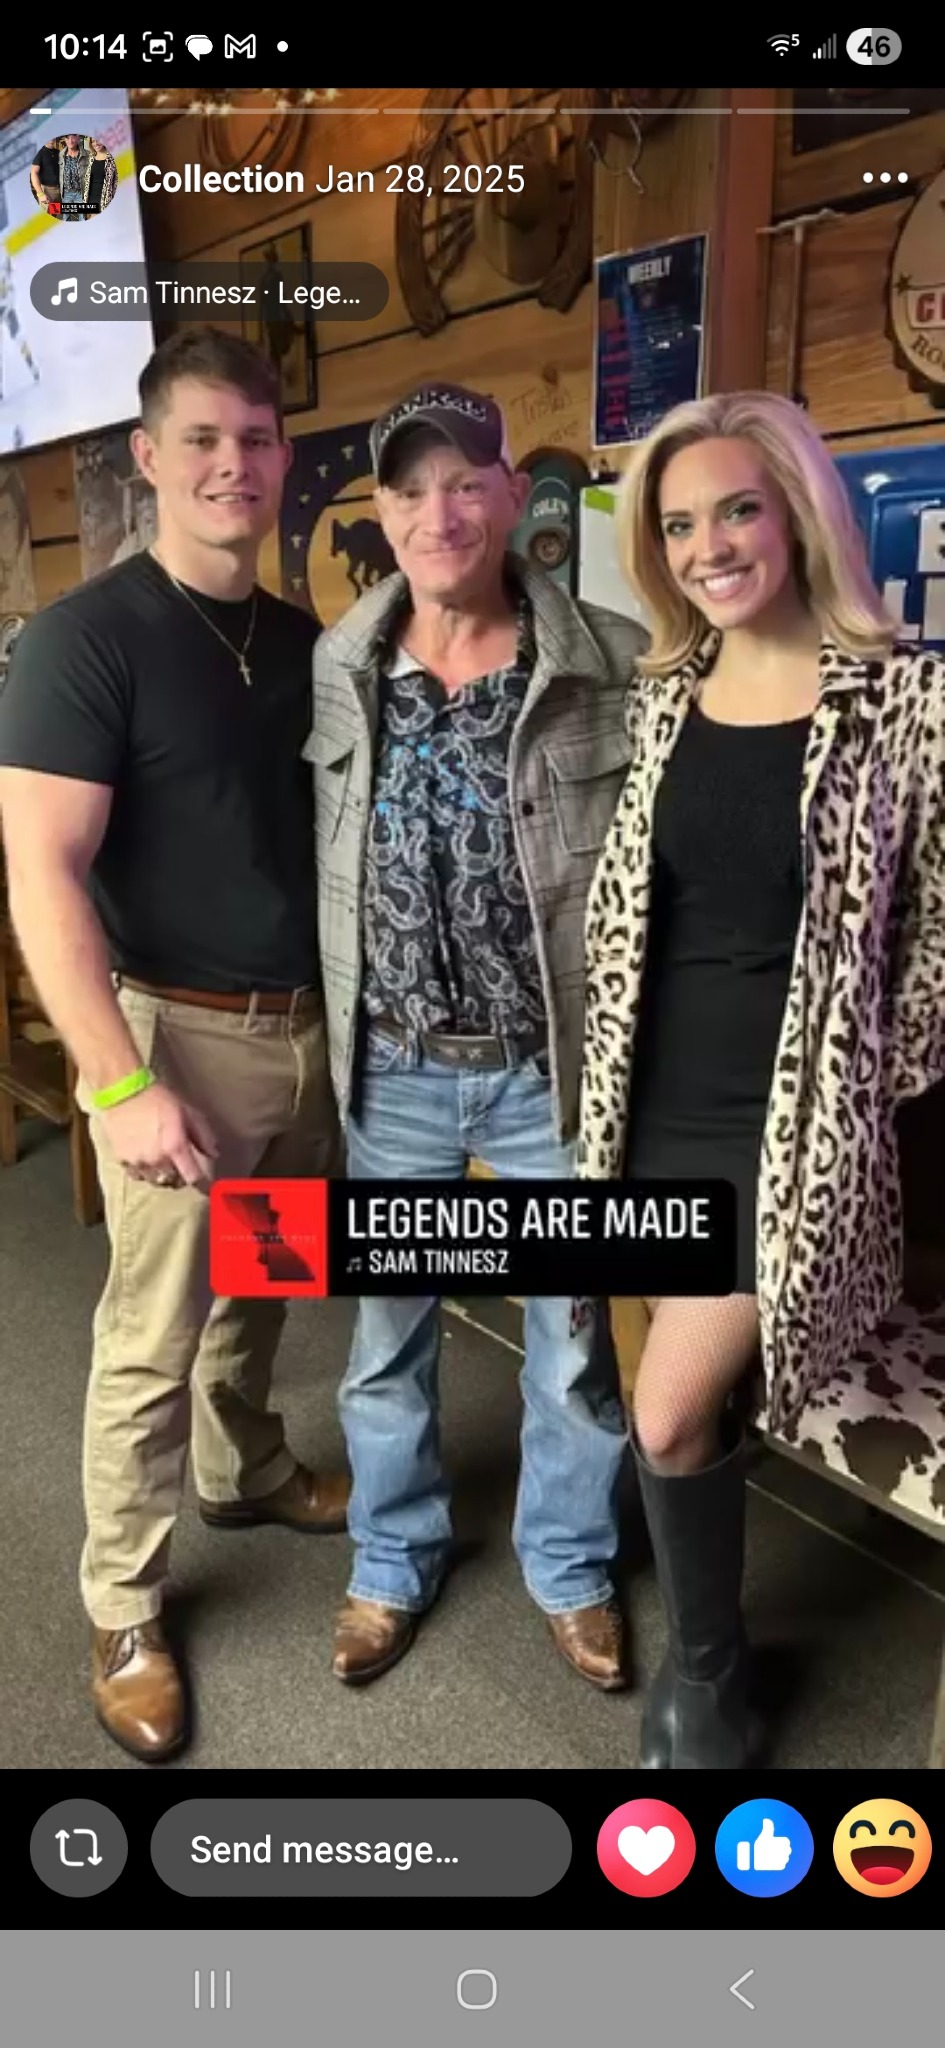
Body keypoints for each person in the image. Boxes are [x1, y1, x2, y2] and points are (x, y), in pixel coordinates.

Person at [577, 390, 945, 1769]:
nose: (708, 547)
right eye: (678, 526)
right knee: (665, 1385)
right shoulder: (665, 697)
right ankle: (681, 1523)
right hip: (647, 1098)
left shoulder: (906, 700)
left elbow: (940, 930)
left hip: (790, 1131)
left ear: (795, 512)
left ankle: (708, 1671)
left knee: (671, 1405)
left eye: (735, 509)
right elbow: (639, 909)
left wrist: (868, 1072)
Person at [0, 327, 348, 1764]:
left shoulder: (304, 643)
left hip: (304, 1034)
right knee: (148, 1338)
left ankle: (244, 1465)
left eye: (255, 439)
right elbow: (42, 874)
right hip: (172, 1039)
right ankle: (125, 1607)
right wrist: (119, 1080)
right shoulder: (83, 641)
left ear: (282, 458)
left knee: (267, 1282)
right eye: (201, 438)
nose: (231, 464)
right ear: (148, 457)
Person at [311, 382, 647, 1687]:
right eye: (409, 488)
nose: (437, 512)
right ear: (381, 509)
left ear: (513, 493)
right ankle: (390, 1560)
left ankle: (569, 1564)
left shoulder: (609, 659)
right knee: (384, 1339)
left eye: (464, 481)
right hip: (392, 1062)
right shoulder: (337, 666)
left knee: (571, 1339)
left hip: (548, 1069)